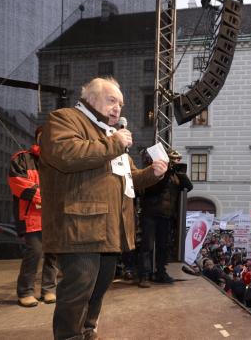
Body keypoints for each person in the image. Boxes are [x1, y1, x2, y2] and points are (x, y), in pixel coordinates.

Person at [40, 77, 167, 340]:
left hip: (109, 228)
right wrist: (115, 143)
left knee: (99, 287)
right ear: (91, 98)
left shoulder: (110, 135)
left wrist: (152, 174)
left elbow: (130, 177)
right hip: (80, 227)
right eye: (112, 101)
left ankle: (88, 332)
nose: (118, 108)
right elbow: (66, 154)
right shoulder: (64, 119)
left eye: (120, 104)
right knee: (78, 289)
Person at [8, 126, 58, 307]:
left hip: (53, 216)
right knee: (34, 253)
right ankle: (25, 291)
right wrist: (46, 196)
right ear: (38, 138)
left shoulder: (57, 161)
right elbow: (18, 184)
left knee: (53, 254)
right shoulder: (21, 158)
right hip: (31, 216)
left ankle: (49, 290)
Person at [137, 148, 193, 287]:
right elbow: (152, 189)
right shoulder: (154, 171)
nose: (175, 163)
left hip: (166, 216)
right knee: (147, 246)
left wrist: (180, 173)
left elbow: (188, 186)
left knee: (163, 246)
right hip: (150, 214)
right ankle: (144, 275)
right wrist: (165, 172)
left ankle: (161, 272)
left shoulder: (175, 176)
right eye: (173, 160)